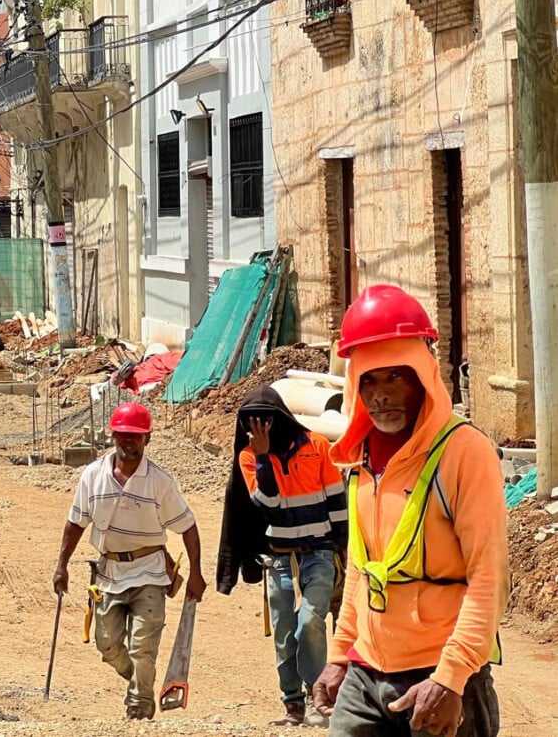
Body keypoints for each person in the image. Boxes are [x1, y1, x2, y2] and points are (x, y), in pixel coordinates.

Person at [313, 285, 508, 737]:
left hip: (439, 675)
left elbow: (489, 577)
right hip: (366, 673)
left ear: (423, 376)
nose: (380, 395)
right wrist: (342, 654)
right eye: (369, 380)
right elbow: (364, 569)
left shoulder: (464, 452)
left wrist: (452, 676)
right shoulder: (359, 458)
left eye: (395, 377)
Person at [53, 402, 206, 721]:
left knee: (142, 646)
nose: (128, 441)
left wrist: (195, 573)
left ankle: (139, 705)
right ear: (113, 436)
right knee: (107, 645)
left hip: (150, 572)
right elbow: (76, 523)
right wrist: (62, 565)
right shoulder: (93, 476)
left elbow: (187, 526)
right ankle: (141, 682)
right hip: (108, 573)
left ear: (147, 439)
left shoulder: (159, 482)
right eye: (123, 435)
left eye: (135, 436)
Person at [217, 385, 346, 727]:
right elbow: (268, 505)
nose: (259, 430)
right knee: (284, 635)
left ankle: (318, 697)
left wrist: (343, 552)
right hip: (279, 561)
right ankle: (293, 705)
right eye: (252, 424)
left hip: (318, 554)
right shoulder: (249, 457)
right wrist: (261, 456)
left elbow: (337, 503)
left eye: (266, 422)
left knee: (310, 623)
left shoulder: (317, 446)